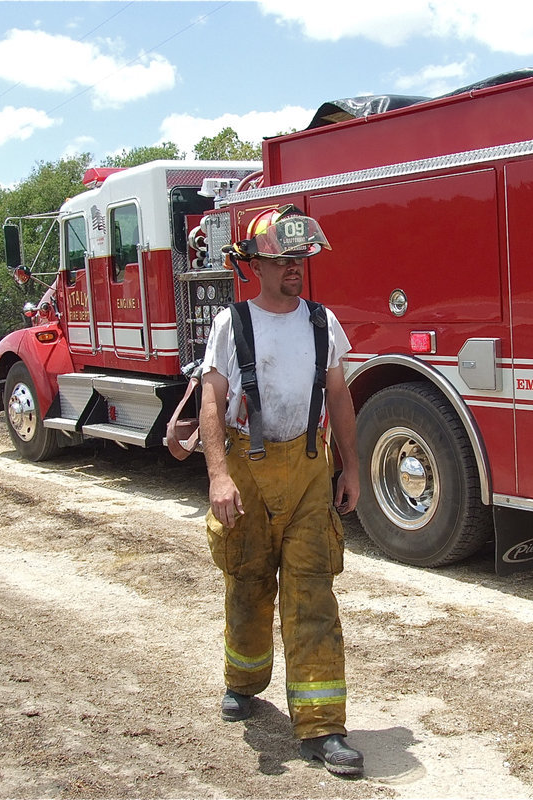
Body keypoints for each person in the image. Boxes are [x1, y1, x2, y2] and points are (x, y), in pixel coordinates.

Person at [199, 205, 363, 777]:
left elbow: (339, 396)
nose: (297, 267)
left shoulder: (323, 323)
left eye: (301, 258)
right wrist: (219, 475)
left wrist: (353, 468)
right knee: (247, 581)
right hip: (249, 466)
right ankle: (243, 683)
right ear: (258, 265)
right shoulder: (233, 324)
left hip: (311, 469)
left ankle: (323, 727)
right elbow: (213, 402)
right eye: (285, 259)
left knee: (313, 593)